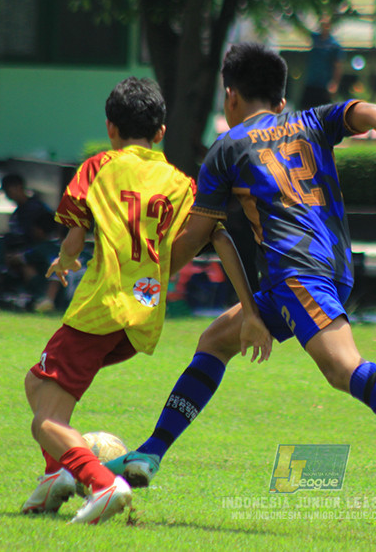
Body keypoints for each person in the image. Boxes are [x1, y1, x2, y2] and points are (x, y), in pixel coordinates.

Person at [106, 43, 376, 522]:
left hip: (296, 273)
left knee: (342, 367)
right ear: (280, 102)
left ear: (230, 95)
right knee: (216, 339)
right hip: (332, 268)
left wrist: (146, 276)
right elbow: (363, 111)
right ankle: (150, 454)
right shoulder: (310, 120)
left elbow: (198, 235)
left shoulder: (228, 147)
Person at [20, 77, 266, 524]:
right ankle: (54, 475)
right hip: (143, 317)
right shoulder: (182, 184)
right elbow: (218, 236)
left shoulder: (97, 168)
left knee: (47, 421)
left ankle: (100, 482)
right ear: (161, 132)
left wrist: (64, 260)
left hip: (99, 308)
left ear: (111, 129)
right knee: (36, 384)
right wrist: (249, 308)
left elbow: (74, 238)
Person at [298, 15, 344, 110]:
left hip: (324, 84)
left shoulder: (334, 45)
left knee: (322, 111)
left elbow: (338, 66)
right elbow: (302, 29)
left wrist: (334, 83)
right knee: (305, 109)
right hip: (311, 82)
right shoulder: (315, 39)